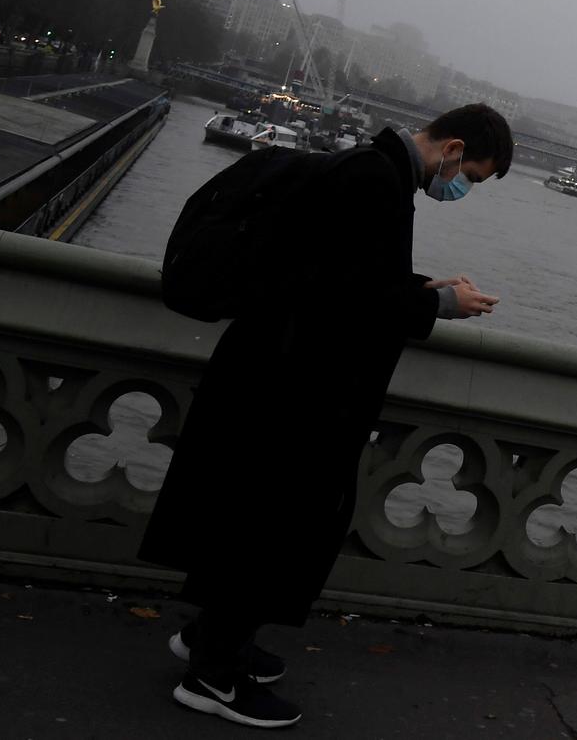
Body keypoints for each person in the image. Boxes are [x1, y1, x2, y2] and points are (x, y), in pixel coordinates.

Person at [139, 103, 513, 728]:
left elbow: (337, 273)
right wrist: (439, 306)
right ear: (451, 148)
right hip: (293, 390)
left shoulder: (374, 168)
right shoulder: (375, 180)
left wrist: (420, 288)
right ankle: (212, 677)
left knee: (250, 517)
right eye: (469, 176)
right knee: (270, 525)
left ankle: (211, 637)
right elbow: (347, 300)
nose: (461, 188)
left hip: (274, 374)